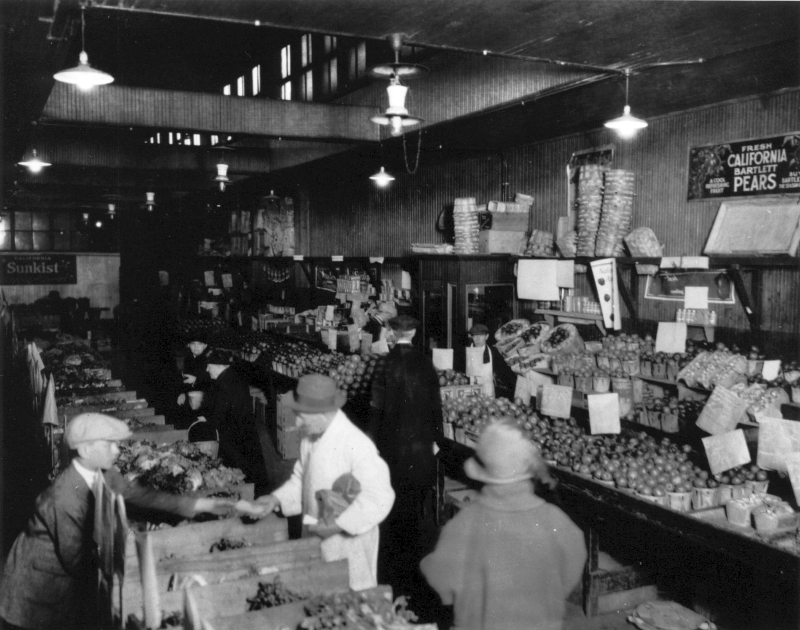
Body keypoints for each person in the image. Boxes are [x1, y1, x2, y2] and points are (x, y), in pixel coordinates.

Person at [0, 413, 234, 630]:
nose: (117, 450)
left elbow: (142, 496)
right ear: (85, 449)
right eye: (108, 444)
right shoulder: (63, 497)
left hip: (60, 585)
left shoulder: (103, 472)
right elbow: (79, 562)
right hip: (34, 596)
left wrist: (201, 505)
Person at [420, 422, 587, 630]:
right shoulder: (555, 520)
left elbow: (441, 579)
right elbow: (574, 562)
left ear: (483, 474)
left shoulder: (465, 523)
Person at [251, 374, 395, 590]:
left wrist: (338, 525)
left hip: (348, 545)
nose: (297, 423)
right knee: (316, 596)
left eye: (301, 417)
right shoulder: (311, 436)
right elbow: (301, 477)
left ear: (321, 414)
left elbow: (380, 497)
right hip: (315, 536)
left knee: (348, 603)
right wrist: (275, 499)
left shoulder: (356, 443)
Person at [369, 314, 443, 587]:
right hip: (420, 446)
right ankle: (416, 569)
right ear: (413, 333)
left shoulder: (384, 364)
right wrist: (437, 439)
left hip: (391, 446)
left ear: (391, 333)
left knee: (392, 505)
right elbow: (436, 405)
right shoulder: (426, 363)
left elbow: (376, 407)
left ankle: (390, 571)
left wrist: (373, 445)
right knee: (416, 506)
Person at [191, 349, 273, 496]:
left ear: (219, 365)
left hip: (235, 437)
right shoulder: (230, 377)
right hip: (243, 432)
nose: (207, 369)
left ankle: (246, 497)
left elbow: (221, 413)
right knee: (251, 471)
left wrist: (208, 420)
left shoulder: (225, 384)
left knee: (239, 471)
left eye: (209, 365)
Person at [467, 323, 516, 398]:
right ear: (472, 337)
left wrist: (516, 386)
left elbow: (505, 372)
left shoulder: (493, 352)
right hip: (470, 395)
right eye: (475, 335)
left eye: (481, 335)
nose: (477, 339)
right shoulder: (465, 352)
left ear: (486, 336)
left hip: (488, 395)